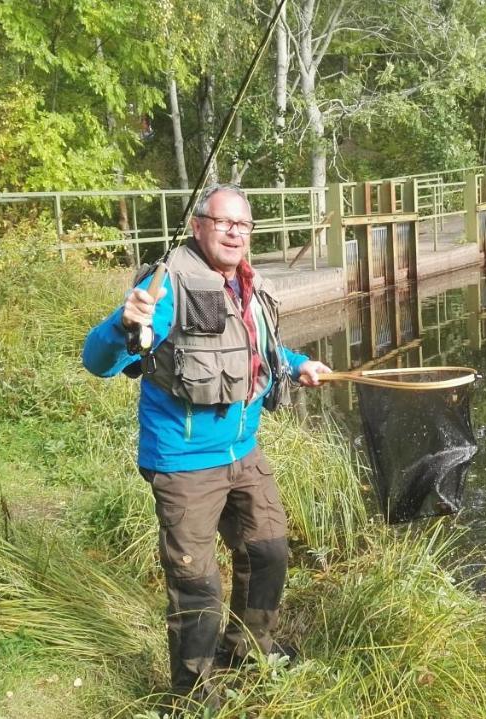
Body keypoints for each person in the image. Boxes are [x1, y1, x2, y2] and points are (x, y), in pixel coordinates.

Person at [82, 183, 330, 709]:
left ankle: (248, 650)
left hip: (242, 451)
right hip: (184, 461)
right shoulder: (167, 285)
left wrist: (297, 361)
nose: (236, 233)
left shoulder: (243, 283)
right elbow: (99, 361)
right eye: (224, 223)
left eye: (244, 225)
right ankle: (191, 693)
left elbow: (255, 345)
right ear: (199, 226)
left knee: (268, 551)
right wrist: (123, 324)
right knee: (197, 582)